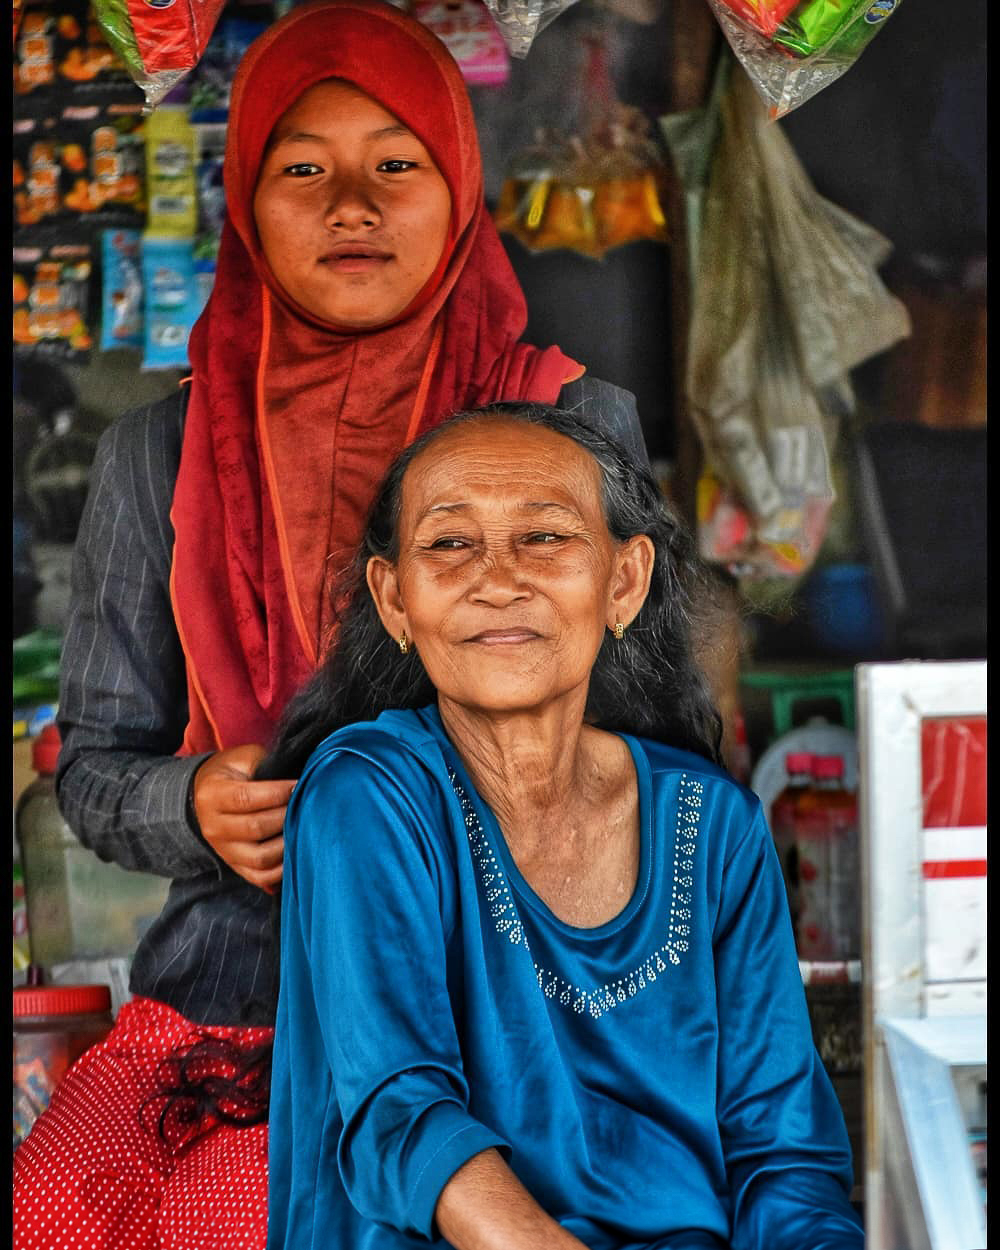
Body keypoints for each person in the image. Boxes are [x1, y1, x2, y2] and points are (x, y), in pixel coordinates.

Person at [12, 3, 648, 1247]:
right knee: (53, 1205)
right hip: (223, 1004)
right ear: (247, 200)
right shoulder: (159, 452)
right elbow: (90, 770)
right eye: (304, 167)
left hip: (506, 1007)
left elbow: (664, 746)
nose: (352, 203)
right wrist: (190, 801)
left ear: (458, 190)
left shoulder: (565, 424)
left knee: (234, 1213)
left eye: (395, 164)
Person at [260, 402, 865, 1250]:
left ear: (623, 582)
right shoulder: (369, 796)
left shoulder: (713, 824)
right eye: (448, 544)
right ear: (395, 602)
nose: (498, 578)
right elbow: (403, 1114)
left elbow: (783, 1156)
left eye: (543, 538)